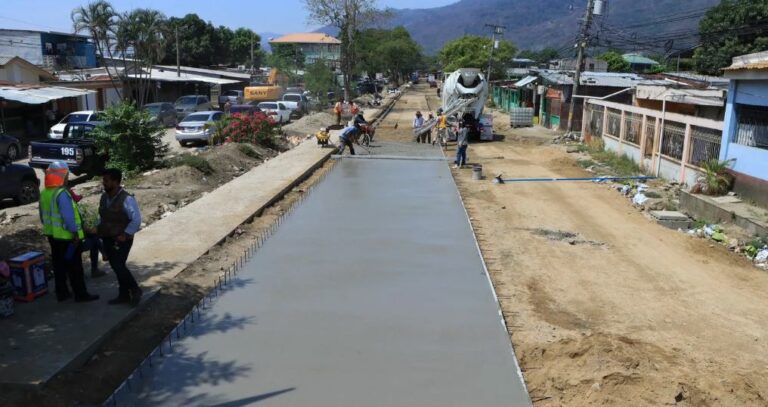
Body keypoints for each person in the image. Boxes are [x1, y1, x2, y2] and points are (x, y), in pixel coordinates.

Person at [39, 161, 99, 303]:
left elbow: (42, 217)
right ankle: (81, 294)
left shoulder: (44, 193)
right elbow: (68, 217)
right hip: (68, 238)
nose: (67, 177)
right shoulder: (62, 193)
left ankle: (62, 293)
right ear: (61, 175)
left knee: (59, 265)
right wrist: (75, 234)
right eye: (66, 174)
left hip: (52, 236)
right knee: (75, 267)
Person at [98, 168, 143, 307]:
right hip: (107, 238)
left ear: (116, 182)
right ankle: (123, 294)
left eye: (106, 180)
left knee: (118, 265)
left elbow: (136, 220)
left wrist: (126, 234)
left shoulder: (127, 199)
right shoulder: (104, 198)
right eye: (103, 180)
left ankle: (135, 290)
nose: (103, 183)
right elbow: (101, 216)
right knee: (116, 266)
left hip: (121, 239)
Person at [69, 188, 106, 278]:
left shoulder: (68, 209)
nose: (77, 203)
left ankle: (103, 253)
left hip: (69, 242)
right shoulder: (72, 210)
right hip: (72, 243)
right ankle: (102, 256)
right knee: (94, 241)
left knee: (94, 238)